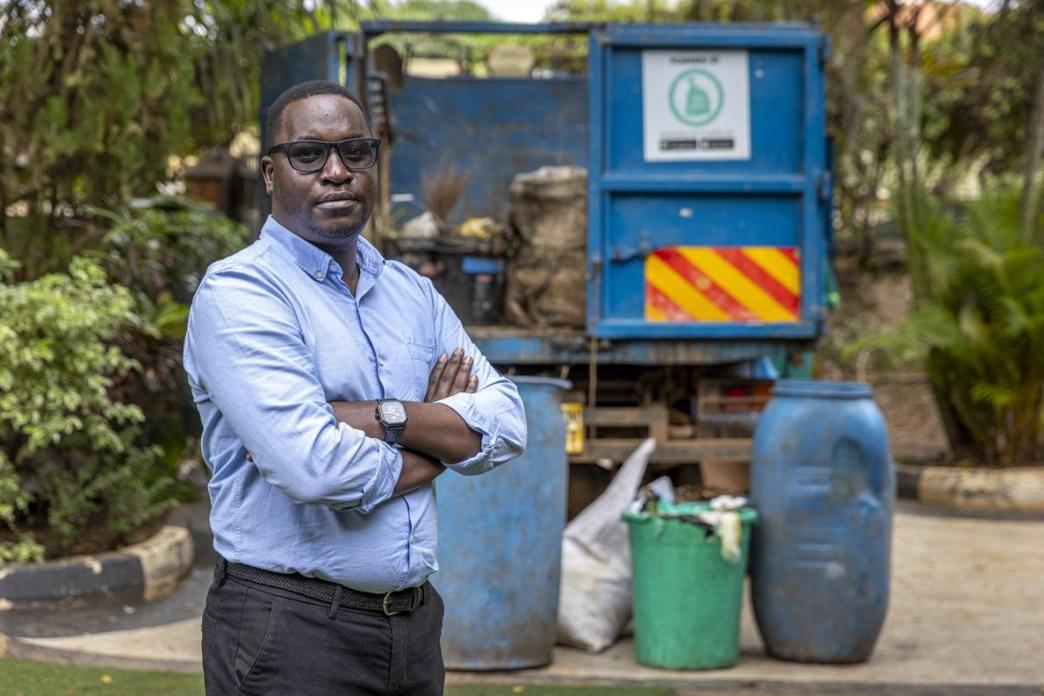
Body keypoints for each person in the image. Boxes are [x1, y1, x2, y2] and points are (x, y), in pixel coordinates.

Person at [183, 79, 527, 696]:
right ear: (270, 171)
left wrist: (387, 416)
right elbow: (313, 467)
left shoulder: (412, 293)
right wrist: (440, 438)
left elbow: (507, 421)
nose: (336, 172)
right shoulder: (241, 293)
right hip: (290, 630)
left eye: (355, 153)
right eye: (309, 154)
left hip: (413, 626)